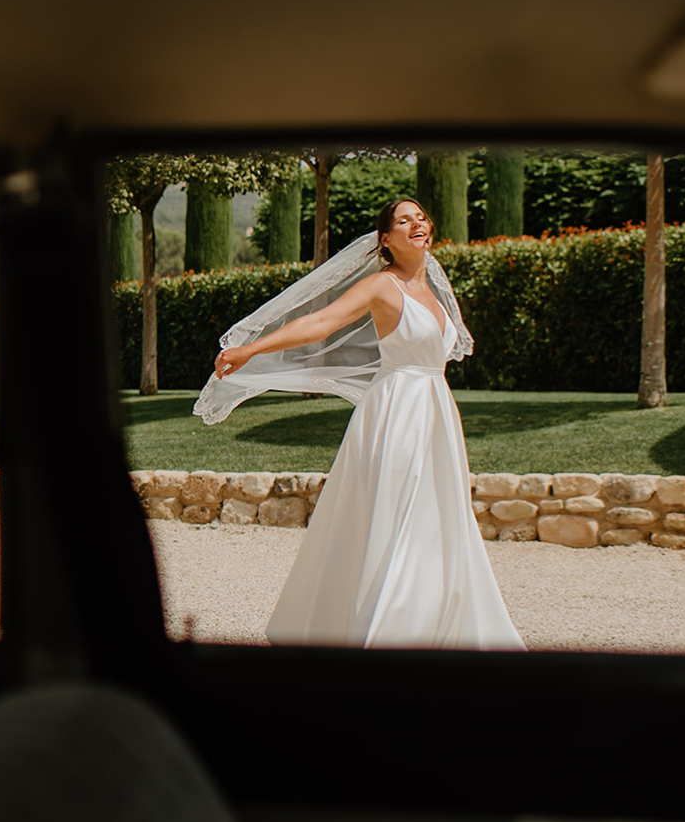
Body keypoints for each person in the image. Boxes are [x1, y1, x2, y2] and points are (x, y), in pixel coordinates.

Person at [199, 198, 524, 650]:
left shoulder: (432, 286)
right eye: (404, 220)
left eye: (422, 217)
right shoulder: (380, 287)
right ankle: (388, 629)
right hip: (396, 413)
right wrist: (250, 350)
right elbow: (321, 322)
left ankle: (443, 624)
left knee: (440, 515)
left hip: (435, 409)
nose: (418, 224)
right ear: (386, 239)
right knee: (397, 513)